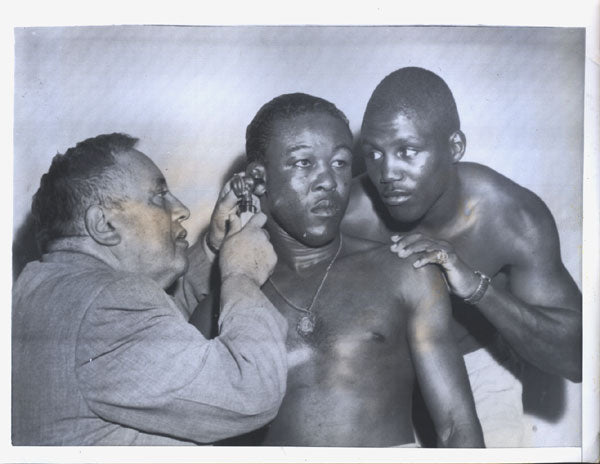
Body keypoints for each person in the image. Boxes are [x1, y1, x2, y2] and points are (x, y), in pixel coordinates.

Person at [192, 93, 484, 447]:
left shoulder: (406, 272)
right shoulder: (224, 305)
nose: (328, 181)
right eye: (303, 163)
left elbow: (458, 428)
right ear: (259, 178)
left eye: (341, 162)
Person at [342, 67, 582, 446]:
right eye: (373, 153)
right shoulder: (349, 215)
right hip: (380, 371)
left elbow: (576, 359)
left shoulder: (509, 216)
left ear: (454, 147)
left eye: (407, 151)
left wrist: (477, 289)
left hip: (476, 365)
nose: (387, 173)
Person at [11, 133, 288, 445]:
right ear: (103, 224)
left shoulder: (39, 288)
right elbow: (250, 390)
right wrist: (241, 276)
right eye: (159, 196)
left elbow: (149, 343)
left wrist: (212, 247)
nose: (181, 209)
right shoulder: (108, 309)